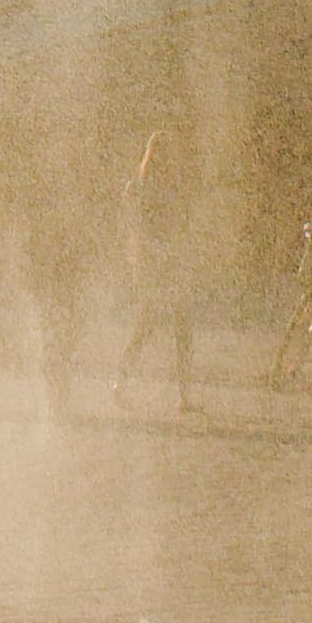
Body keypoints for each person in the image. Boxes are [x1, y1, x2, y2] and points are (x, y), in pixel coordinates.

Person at [112, 130, 199, 412]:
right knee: (148, 327)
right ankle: (122, 384)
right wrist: (160, 253)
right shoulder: (141, 189)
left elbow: (179, 227)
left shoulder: (165, 189)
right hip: (155, 267)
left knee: (175, 329)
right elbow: (137, 228)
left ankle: (183, 396)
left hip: (167, 265)